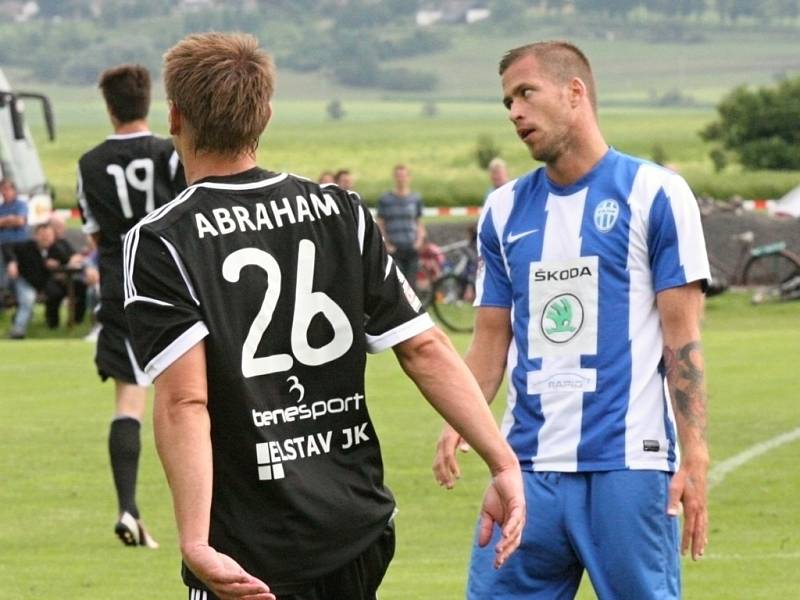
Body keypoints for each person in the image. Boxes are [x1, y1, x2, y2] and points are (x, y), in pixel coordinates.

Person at [123, 32, 524, 600]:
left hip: (251, 551)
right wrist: (502, 461)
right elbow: (424, 347)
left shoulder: (164, 239)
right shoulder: (339, 209)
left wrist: (194, 541)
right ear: (265, 113)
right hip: (356, 529)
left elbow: (187, 401)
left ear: (174, 116)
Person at [434, 41, 710, 599]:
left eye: (526, 93)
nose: (514, 111)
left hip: (628, 466)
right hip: (526, 468)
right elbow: (491, 340)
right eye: (507, 100)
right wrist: (462, 417)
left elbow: (682, 341)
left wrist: (695, 453)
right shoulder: (504, 209)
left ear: (575, 92)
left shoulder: (655, 193)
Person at [76, 63, 184, 549]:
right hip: (171, 285)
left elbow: (95, 232)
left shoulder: (89, 163)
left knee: (129, 400)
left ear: (109, 106)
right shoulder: (168, 152)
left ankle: (128, 509)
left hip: (121, 288)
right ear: (150, 103)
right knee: (194, 398)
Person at [5, 221, 87, 337]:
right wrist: (12, 262)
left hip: (44, 284)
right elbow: (7, 247)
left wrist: (64, 264)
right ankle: (18, 330)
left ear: (53, 236)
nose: (46, 239)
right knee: (28, 298)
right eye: (42, 236)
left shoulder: (57, 248)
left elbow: (72, 258)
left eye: (49, 236)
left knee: (64, 290)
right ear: (35, 236)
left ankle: (60, 325)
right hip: (24, 280)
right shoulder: (26, 247)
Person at [377, 164, 425, 289]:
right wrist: (386, 244)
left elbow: (418, 221)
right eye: (398, 176)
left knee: (411, 284)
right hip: (394, 248)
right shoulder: (385, 199)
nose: (401, 179)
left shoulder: (415, 198)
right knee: (397, 284)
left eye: (403, 176)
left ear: (409, 177)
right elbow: (381, 223)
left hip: (411, 246)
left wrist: (419, 241)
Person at [0, 178, 29, 300]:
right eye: (3, 189)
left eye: (7, 189)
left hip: (19, 245)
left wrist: (4, 221)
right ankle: (4, 290)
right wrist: (11, 219)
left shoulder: (21, 204)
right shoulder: (1, 207)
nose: (5, 192)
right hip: (2, 245)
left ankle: (12, 291)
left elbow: (20, 221)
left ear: (14, 190)